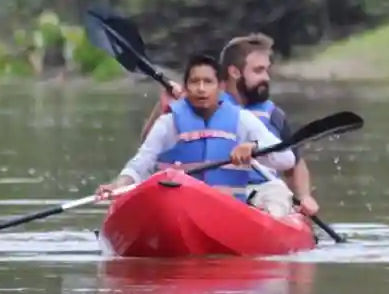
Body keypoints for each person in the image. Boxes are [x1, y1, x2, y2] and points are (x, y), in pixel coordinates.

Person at [138, 34, 320, 216]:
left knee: (277, 192)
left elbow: (293, 162)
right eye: (258, 71)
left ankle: (268, 218)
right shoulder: (197, 104)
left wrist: (304, 196)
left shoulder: (273, 115)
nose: (266, 78)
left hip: (261, 190)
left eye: (267, 71)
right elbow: (150, 149)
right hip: (210, 191)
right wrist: (162, 108)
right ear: (234, 72)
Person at [95, 53, 297, 217]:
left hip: (230, 210)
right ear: (186, 87)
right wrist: (118, 185)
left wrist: (253, 147)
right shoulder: (169, 122)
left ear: (220, 87)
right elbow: (140, 164)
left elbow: (287, 159)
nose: (201, 89)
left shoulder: (241, 119)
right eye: (194, 82)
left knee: (277, 192)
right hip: (179, 208)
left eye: (208, 82)